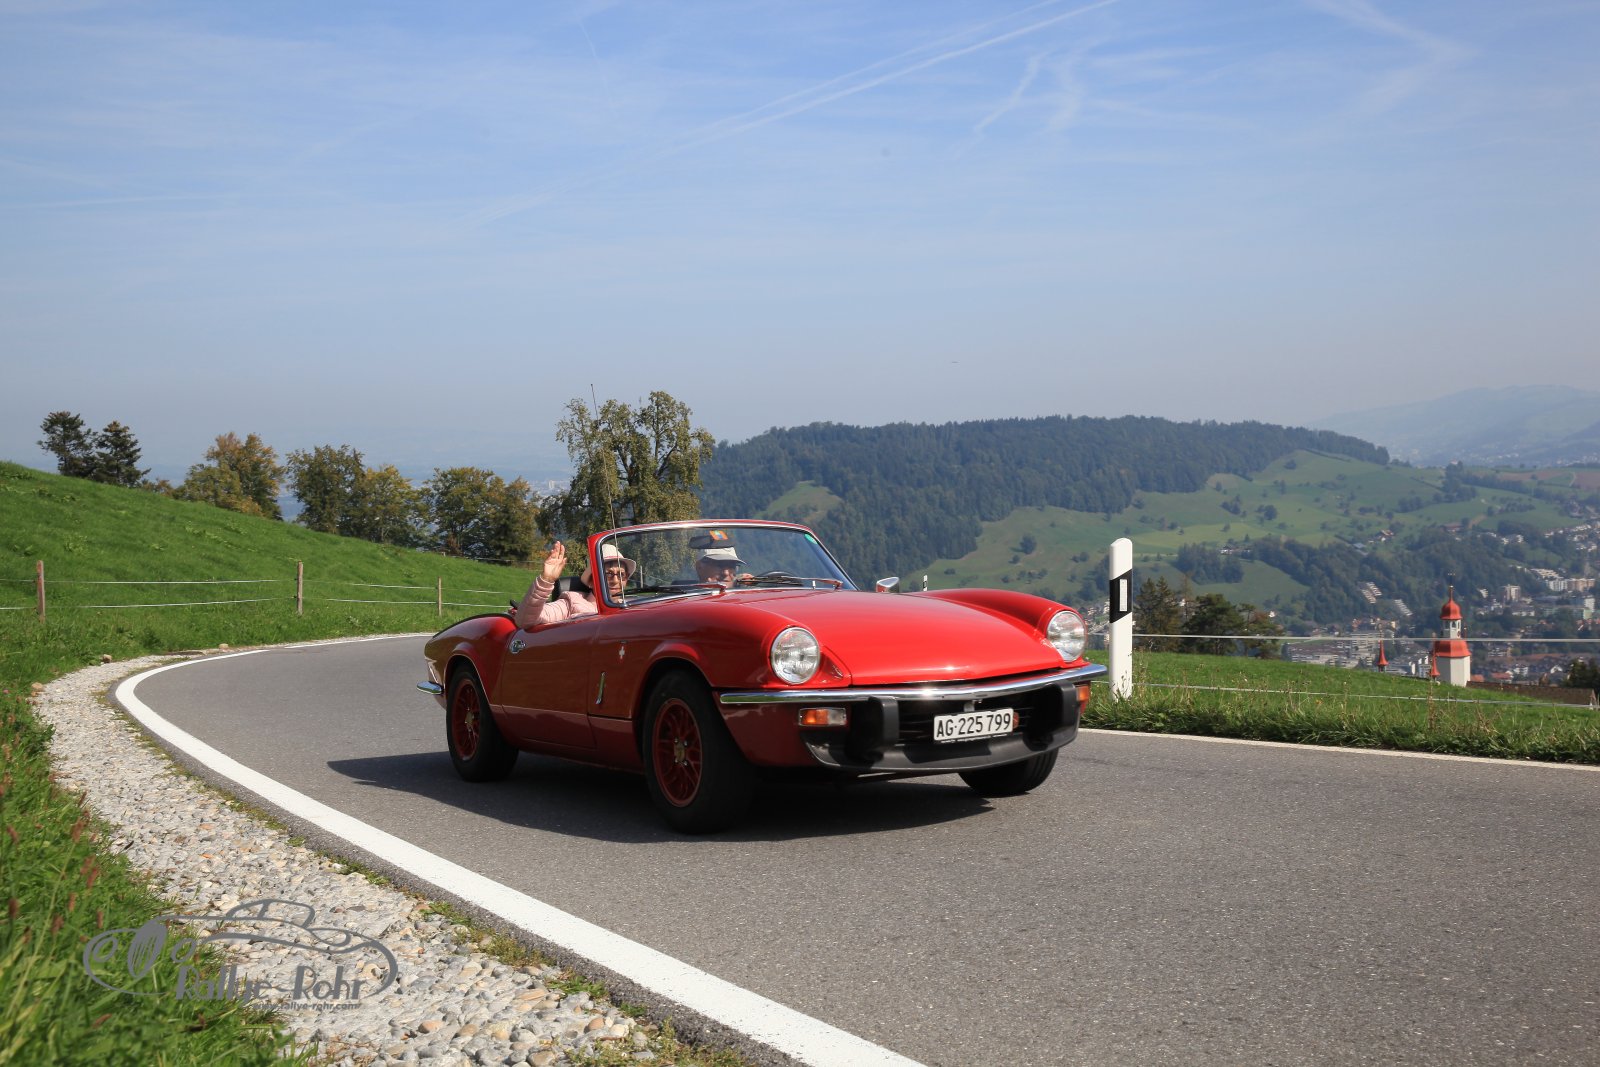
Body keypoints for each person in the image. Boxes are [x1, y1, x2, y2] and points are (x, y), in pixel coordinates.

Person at [515, 541, 635, 627]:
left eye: (621, 574)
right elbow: (525, 620)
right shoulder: (572, 602)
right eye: (608, 574)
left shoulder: (633, 606)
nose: (616, 580)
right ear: (591, 581)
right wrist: (546, 579)